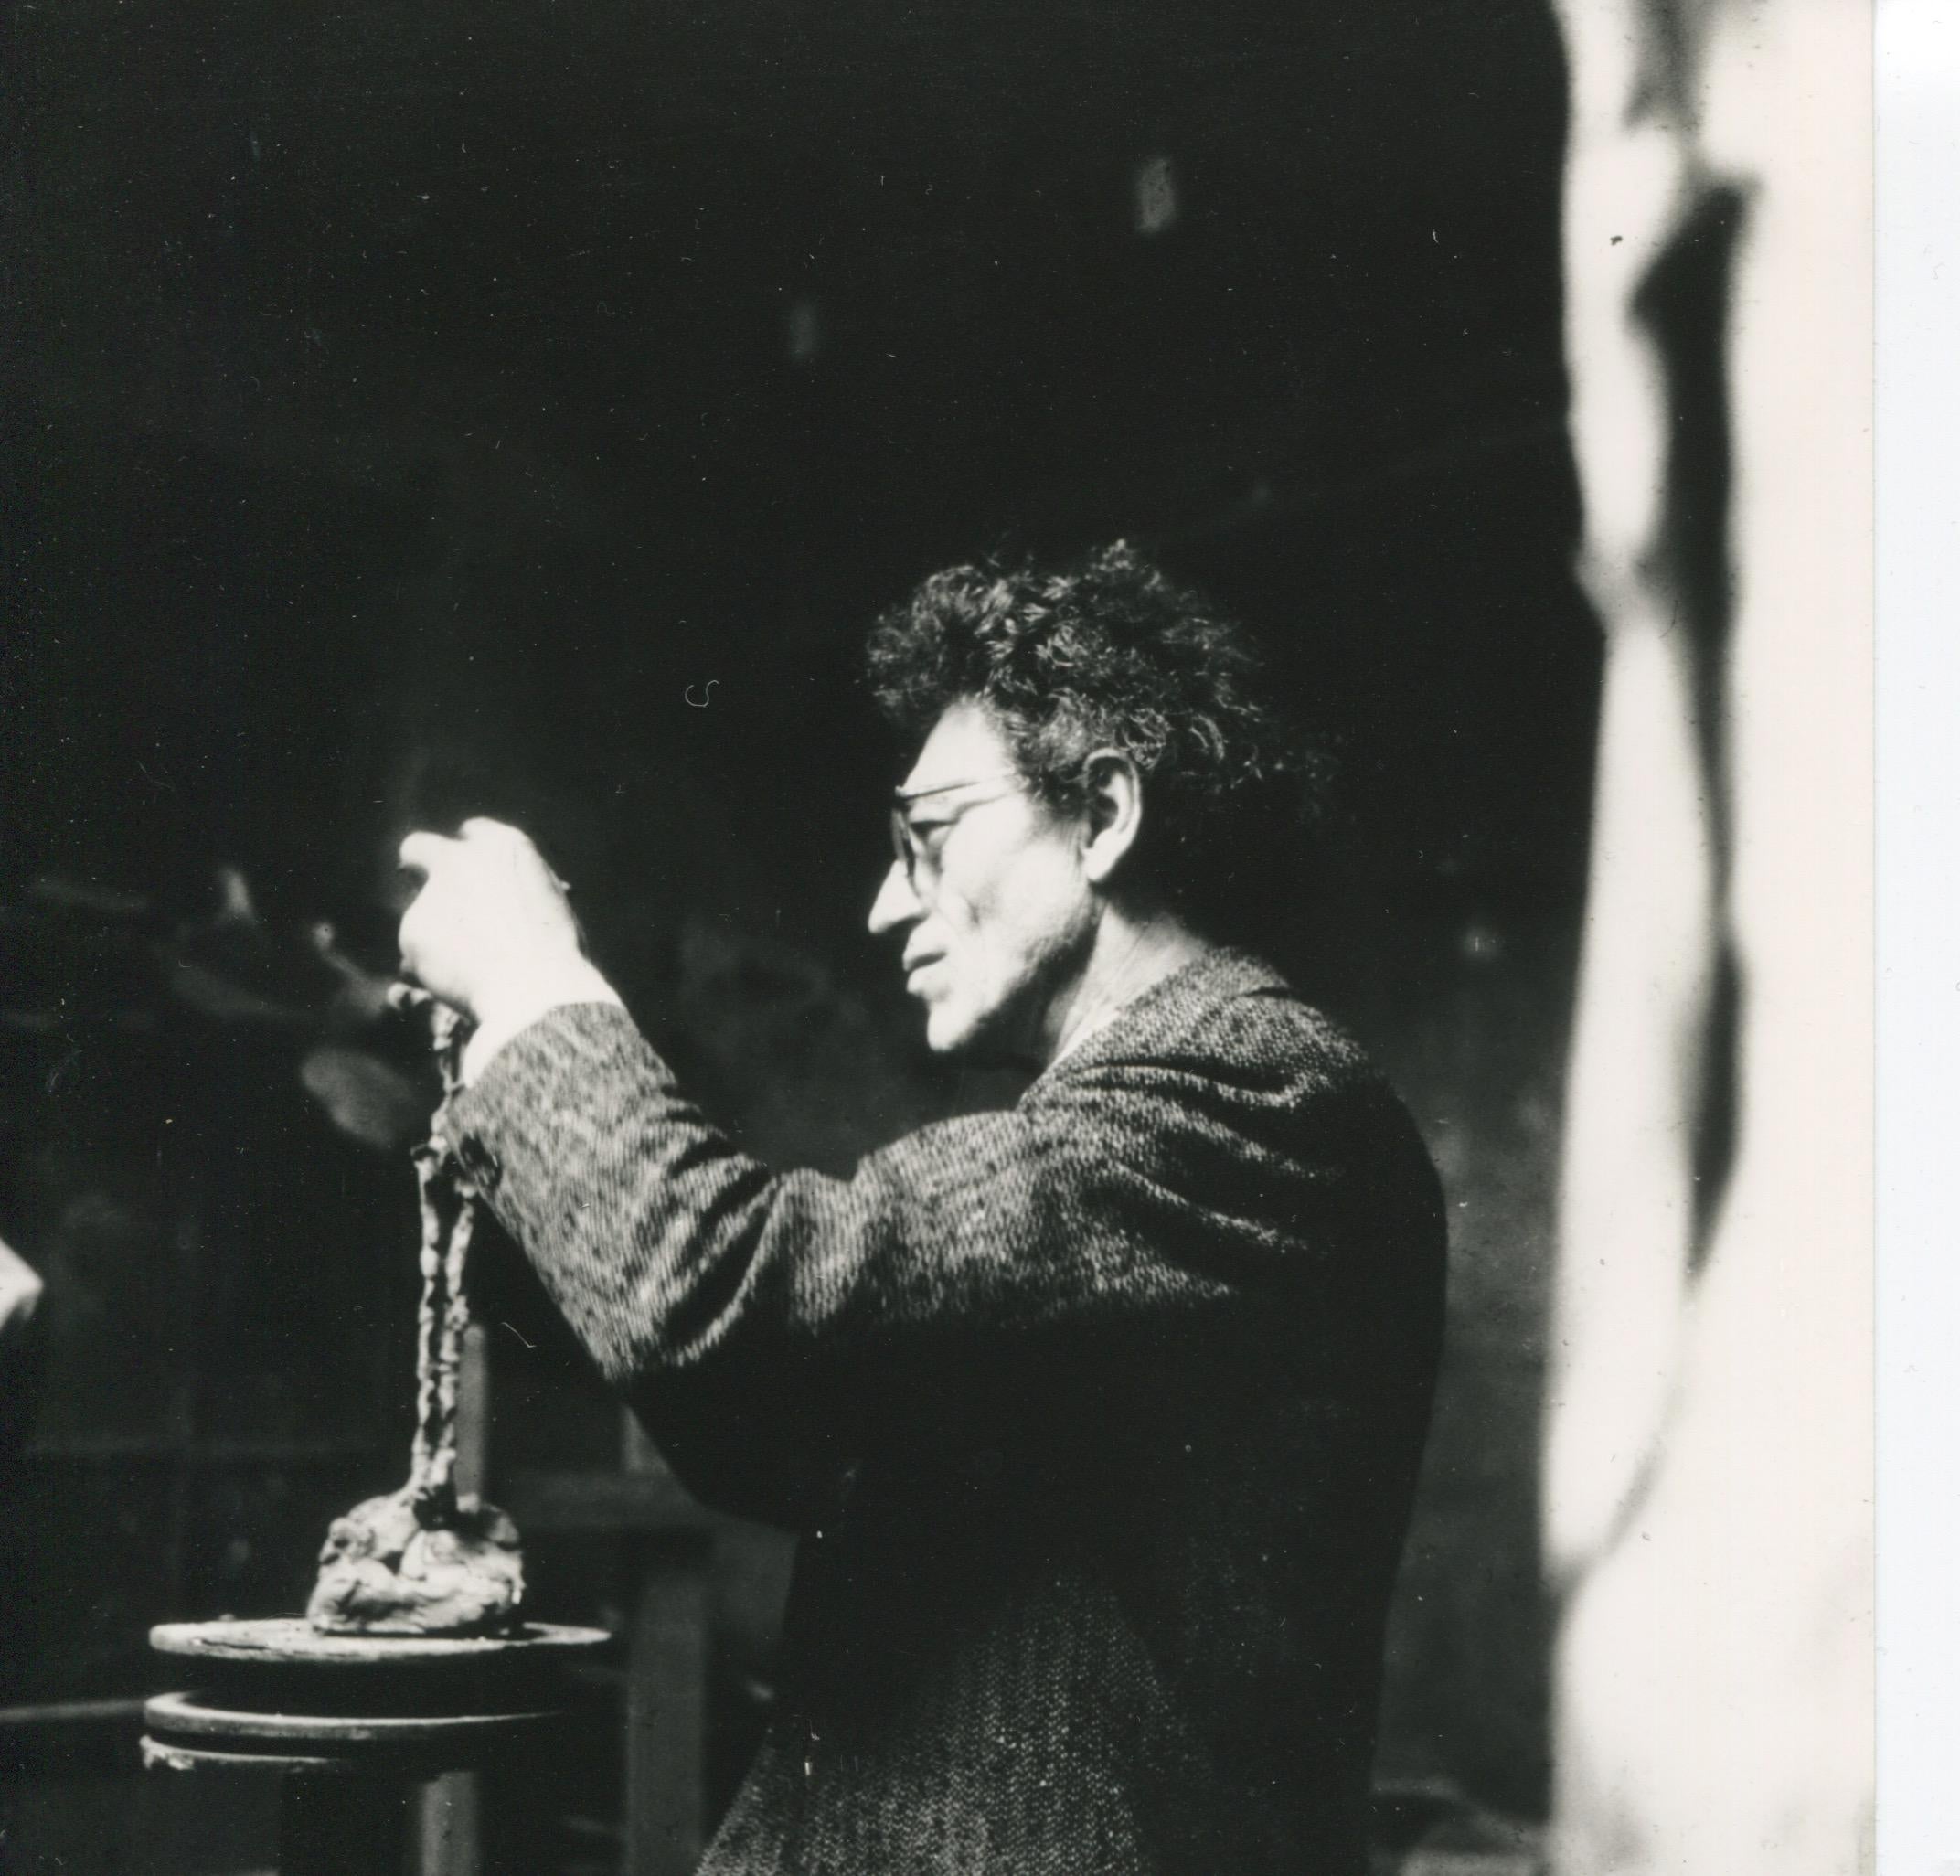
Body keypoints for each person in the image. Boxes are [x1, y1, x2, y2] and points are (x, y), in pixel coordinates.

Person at [399, 543, 1446, 1876]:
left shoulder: (1244, 1094)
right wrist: (509, 1102)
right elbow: (770, 1427)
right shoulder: (1143, 1126)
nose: (889, 904)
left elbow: (730, 1298)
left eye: (928, 835)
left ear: (1105, 814)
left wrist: (536, 986)